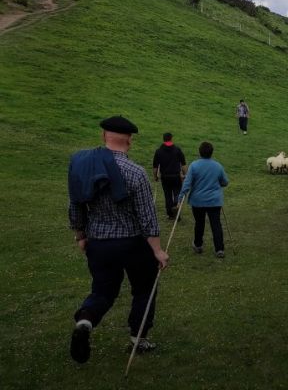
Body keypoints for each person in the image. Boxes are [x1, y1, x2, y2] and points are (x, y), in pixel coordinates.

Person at [68, 116, 170, 364]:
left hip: (99, 243)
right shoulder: (136, 173)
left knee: (103, 289)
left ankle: (85, 321)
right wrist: (157, 251)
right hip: (133, 243)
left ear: (104, 136)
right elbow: (147, 217)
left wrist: (81, 235)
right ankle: (139, 337)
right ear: (129, 140)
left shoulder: (84, 166)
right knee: (145, 288)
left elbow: (76, 203)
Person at [178, 141, 229, 258]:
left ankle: (198, 245)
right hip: (214, 201)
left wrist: (181, 196)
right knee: (216, 224)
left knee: (199, 223)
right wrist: (218, 182)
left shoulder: (194, 166)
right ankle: (219, 249)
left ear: (199, 152)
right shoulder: (218, 166)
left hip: (198, 201)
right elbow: (225, 182)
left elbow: (187, 183)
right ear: (212, 153)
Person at [152, 132, 187, 220]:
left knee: (167, 195)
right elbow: (183, 164)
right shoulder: (177, 150)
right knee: (177, 193)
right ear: (171, 139)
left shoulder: (159, 151)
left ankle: (170, 214)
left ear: (163, 139)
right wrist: (185, 174)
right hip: (176, 176)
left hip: (165, 177)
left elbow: (155, 167)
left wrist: (155, 176)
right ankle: (176, 207)